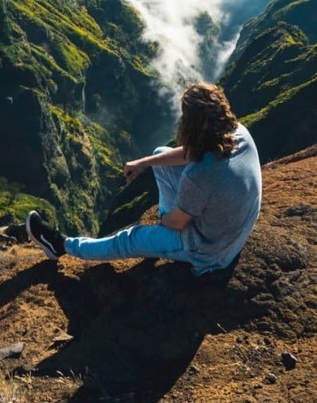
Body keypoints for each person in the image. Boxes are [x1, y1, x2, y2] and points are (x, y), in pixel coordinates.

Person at [26, 82, 262, 275]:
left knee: (131, 238)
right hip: (238, 230)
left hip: (209, 252)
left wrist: (165, 218)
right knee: (160, 155)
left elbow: (177, 223)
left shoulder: (198, 176)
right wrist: (145, 162)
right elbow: (196, 152)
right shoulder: (238, 132)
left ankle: (61, 245)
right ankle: (163, 227)